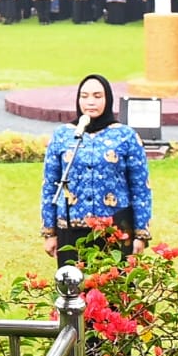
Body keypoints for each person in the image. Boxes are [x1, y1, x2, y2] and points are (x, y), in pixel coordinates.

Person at [40, 74, 151, 265]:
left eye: (97, 96)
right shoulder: (63, 135)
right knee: (74, 290)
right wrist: (49, 231)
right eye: (84, 96)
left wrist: (140, 233)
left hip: (114, 229)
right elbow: (50, 185)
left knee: (114, 289)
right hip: (71, 227)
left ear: (107, 99)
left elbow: (140, 187)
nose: (90, 102)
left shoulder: (125, 136)